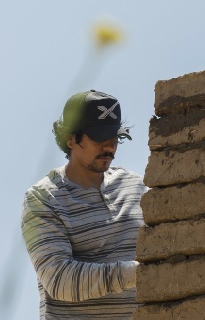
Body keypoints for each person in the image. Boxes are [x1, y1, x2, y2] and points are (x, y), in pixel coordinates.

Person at [21, 90, 147, 319]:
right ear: (71, 138)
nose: (110, 147)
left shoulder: (138, 187)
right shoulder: (42, 199)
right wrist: (142, 273)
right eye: (100, 137)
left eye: (115, 137)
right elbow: (59, 280)